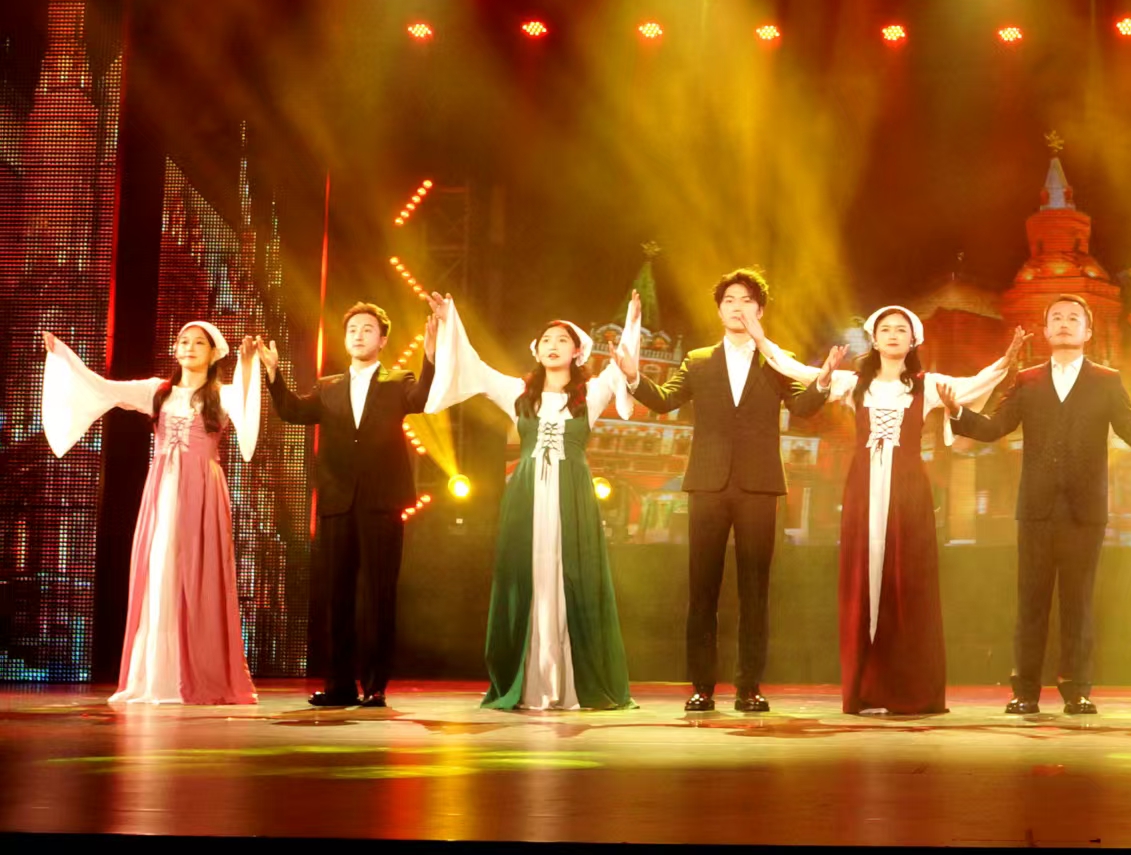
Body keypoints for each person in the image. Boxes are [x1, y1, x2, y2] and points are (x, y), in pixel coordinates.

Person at [751, 306, 1023, 714]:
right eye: (885, 329)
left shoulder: (928, 385)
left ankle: (907, 689)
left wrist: (1006, 361)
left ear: (913, 341)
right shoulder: (853, 383)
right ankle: (865, 687)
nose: (893, 334)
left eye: (901, 329)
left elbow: (975, 384)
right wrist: (760, 339)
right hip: (862, 488)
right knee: (865, 576)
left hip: (909, 490)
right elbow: (798, 372)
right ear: (874, 339)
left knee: (906, 580)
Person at [938, 293, 1131, 716]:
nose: (1064, 323)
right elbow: (996, 427)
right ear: (1044, 330)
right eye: (1056, 317)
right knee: (1032, 603)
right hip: (1036, 508)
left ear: (1088, 331)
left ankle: (1077, 690)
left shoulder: (1107, 379)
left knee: (1078, 604)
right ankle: (1024, 691)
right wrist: (957, 412)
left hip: (1085, 510)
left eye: (1073, 318)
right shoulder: (1027, 380)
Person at [625, 269, 836, 713]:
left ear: (760, 310)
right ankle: (702, 687)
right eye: (729, 301)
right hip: (708, 483)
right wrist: (633, 378)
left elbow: (803, 407)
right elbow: (665, 399)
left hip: (759, 485)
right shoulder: (699, 360)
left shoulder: (776, 360)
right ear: (719, 310)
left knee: (755, 591)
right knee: (702, 589)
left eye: (746, 301)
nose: (737, 307)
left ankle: (749, 687)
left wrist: (822, 381)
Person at [425, 291, 642, 711]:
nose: (552, 345)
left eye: (562, 340)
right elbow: (472, 366)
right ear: (536, 351)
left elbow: (623, 370)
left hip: (573, 496)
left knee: (570, 576)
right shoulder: (518, 393)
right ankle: (529, 684)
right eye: (546, 340)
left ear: (577, 351)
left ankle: (573, 683)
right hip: (526, 495)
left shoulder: (591, 394)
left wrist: (633, 322)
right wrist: (450, 318)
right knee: (530, 576)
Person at [40, 322, 262, 705]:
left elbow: (246, 407)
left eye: (199, 343)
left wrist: (247, 367)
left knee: (196, 572)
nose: (188, 347)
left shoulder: (221, 395)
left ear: (214, 354)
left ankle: (194, 674)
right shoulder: (157, 391)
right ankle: (157, 676)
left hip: (203, 489)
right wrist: (64, 357)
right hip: (162, 490)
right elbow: (103, 388)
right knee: (159, 571)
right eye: (183, 341)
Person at [261, 302, 437, 708]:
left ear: (383, 340)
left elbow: (422, 399)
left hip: (382, 500)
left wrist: (429, 357)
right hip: (338, 500)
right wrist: (273, 375)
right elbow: (292, 411)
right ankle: (339, 684)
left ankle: (375, 685)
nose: (359, 335)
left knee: (378, 595)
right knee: (336, 595)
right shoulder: (328, 386)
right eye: (353, 329)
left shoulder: (398, 380)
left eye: (367, 329)